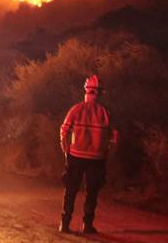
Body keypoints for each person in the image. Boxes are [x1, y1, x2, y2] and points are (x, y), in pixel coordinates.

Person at [58, 75, 118, 234]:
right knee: (92, 192)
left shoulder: (76, 109)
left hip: (75, 156)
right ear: (99, 93)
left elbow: (63, 131)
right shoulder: (105, 112)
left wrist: (66, 151)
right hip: (97, 158)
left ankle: (65, 223)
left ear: (85, 90)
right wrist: (107, 152)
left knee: (71, 190)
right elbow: (114, 137)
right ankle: (88, 225)